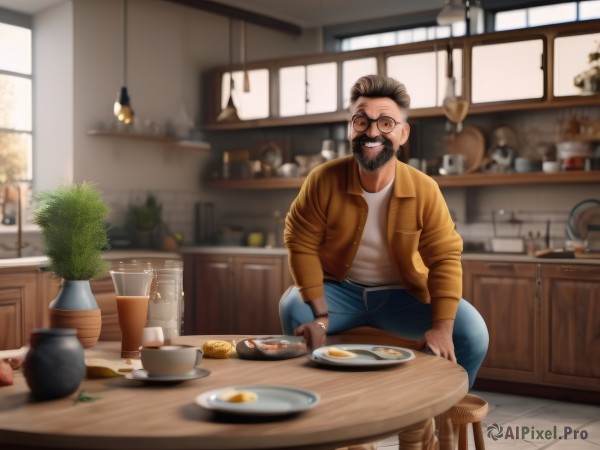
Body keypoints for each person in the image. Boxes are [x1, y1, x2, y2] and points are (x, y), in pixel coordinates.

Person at [280, 74, 488, 389]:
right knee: (293, 308)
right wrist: (321, 316)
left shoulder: (424, 189)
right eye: (362, 122)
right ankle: (313, 399)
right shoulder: (322, 180)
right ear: (350, 128)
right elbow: (301, 243)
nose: (373, 132)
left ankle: (440, 407)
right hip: (340, 292)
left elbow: (444, 257)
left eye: (386, 123)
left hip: (404, 297)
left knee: (472, 333)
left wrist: (443, 327)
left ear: (403, 134)